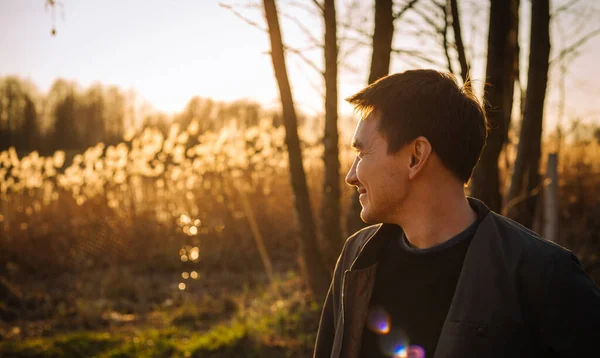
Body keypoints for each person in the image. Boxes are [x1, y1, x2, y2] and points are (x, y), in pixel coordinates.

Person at [313, 69, 600, 358]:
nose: (351, 175)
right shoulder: (358, 255)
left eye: (362, 153)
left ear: (416, 156)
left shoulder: (543, 275)